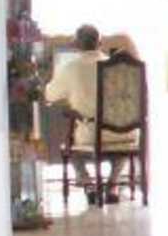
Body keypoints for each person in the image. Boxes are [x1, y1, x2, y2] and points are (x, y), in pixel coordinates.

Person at [45, 24, 140, 203]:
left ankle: (87, 183)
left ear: (76, 44)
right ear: (100, 43)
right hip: (125, 133)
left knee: (70, 145)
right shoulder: (116, 66)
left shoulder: (70, 68)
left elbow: (49, 95)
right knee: (120, 146)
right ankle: (113, 184)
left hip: (91, 135)